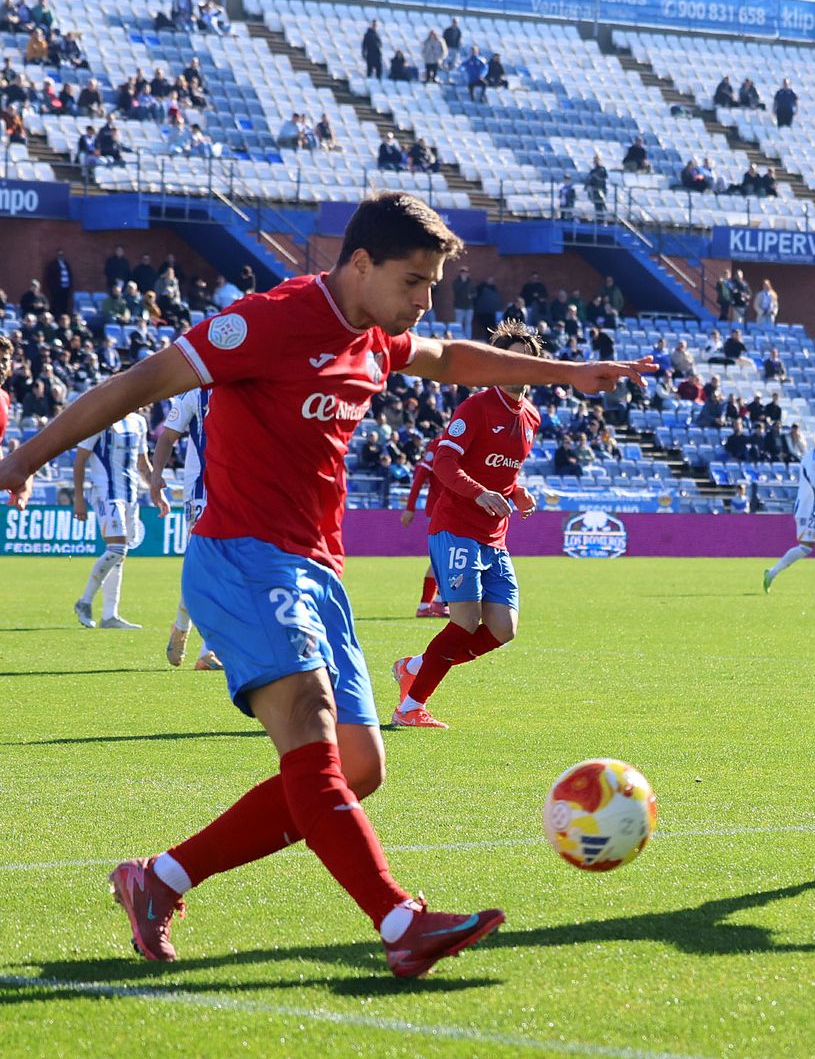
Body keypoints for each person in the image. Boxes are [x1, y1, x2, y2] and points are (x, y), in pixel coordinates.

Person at [0, 191, 655, 976]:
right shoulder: (267, 321)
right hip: (242, 556)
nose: (425, 300)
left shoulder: (377, 335)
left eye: (433, 284)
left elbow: (451, 358)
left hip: (318, 568)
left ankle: (159, 878)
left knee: (360, 766)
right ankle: (400, 921)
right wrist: (23, 458)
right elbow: (142, 382)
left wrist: (568, 374)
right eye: (414, 281)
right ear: (361, 263)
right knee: (311, 723)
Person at [392, 321, 542, 728]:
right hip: (456, 526)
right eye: (510, 360)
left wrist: (518, 492)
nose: (518, 367)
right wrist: (478, 493)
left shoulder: (531, 417)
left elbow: (505, 473)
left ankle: (415, 666)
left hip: (495, 535)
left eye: (526, 361)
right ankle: (410, 708)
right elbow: (443, 462)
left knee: (503, 628)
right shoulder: (476, 407)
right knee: (464, 620)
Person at [147, 386, 223, 669]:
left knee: (224, 567)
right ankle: (188, 631)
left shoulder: (245, 388)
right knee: (203, 564)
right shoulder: (195, 393)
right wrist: (156, 477)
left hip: (235, 490)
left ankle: (205, 647)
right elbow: (168, 436)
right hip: (201, 490)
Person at [71, 403, 152, 630]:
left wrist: (156, 487)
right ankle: (84, 602)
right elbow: (79, 462)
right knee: (117, 549)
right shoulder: (99, 420)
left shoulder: (139, 422)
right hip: (105, 492)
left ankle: (110, 615)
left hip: (131, 495)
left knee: (119, 556)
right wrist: (79, 498)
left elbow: (143, 462)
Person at [762, 425, 815, 595]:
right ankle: (771, 573)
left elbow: (814, 487)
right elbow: (814, 481)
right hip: (807, 509)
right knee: (805, 548)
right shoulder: (811, 459)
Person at [402, 434, 449, 618]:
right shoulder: (439, 443)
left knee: (443, 557)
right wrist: (409, 507)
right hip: (439, 510)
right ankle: (436, 602)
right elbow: (420, 477)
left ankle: (429, 604)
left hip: (455, 510)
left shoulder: (468, 441)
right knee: (444, 556)